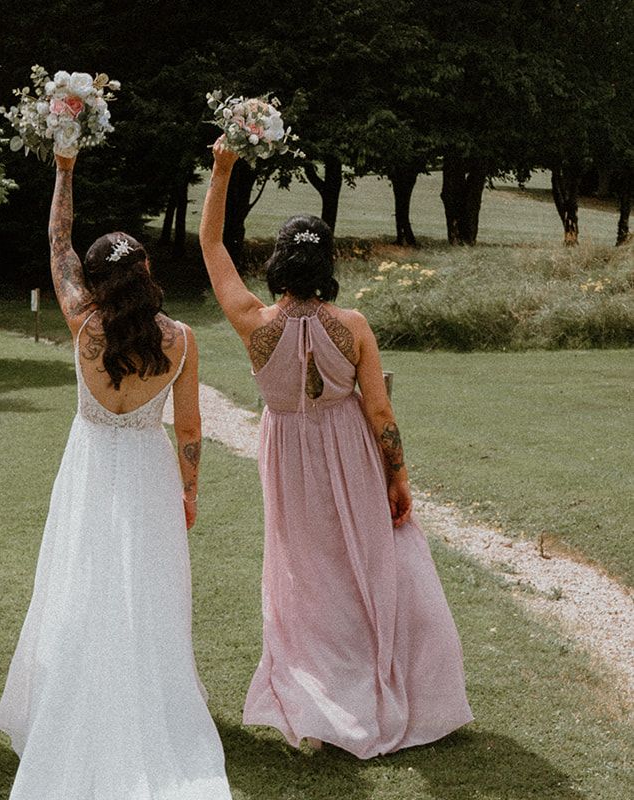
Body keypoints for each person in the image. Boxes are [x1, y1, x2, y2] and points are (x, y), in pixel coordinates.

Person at [199, 139, 472, 758]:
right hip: (349, 453)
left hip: (287, 458)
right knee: (365, 564)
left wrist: (221, 171)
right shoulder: (352, 327)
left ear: (275, 266)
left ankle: (321, 693)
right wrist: (397, 477)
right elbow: (379, 411)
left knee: (306, 575)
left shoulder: (253, 323)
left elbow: (211, 247)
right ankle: (378, 683)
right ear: (324, 266)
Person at [0, 151, 233, 799]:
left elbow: (56, 240)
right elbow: (187, 429)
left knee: (82, 577)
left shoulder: (81, 322)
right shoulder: (180, 338)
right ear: (147, 272)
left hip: (90, 465)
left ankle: (72, 693)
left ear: (95, 281)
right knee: (147, 585)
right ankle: (142, 697)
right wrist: (188, 490)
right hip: (148, 470)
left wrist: (65, 169)